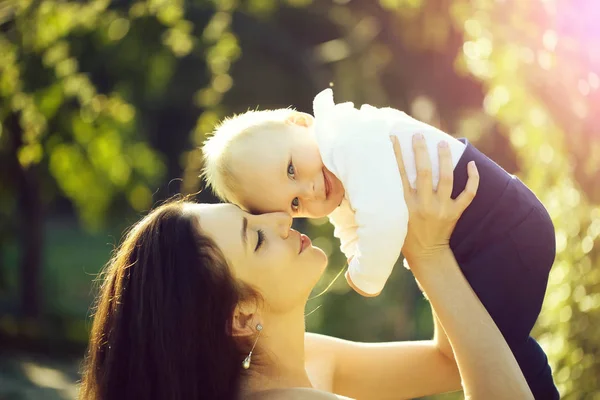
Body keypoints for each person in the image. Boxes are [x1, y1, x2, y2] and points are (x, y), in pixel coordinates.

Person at [79, 138, 534, 400]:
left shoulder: (305, 360)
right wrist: (431, 254)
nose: (280, 218)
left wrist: (420, 235)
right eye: (254, 237)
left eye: (250, 215)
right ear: (240, 314)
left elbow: (448, 362)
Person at [200, 89, 558, 399]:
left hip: (498, 222)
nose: (299, 201)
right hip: (488, 232)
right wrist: (420, 253)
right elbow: (350, 228)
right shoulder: (335, 174)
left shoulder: (344, 141)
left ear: (300, 122)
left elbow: (384, 221)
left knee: (507, 346)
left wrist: (371, 271)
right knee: (510, 349)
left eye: (292, 170)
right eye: (292, 205)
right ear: (242, 315)